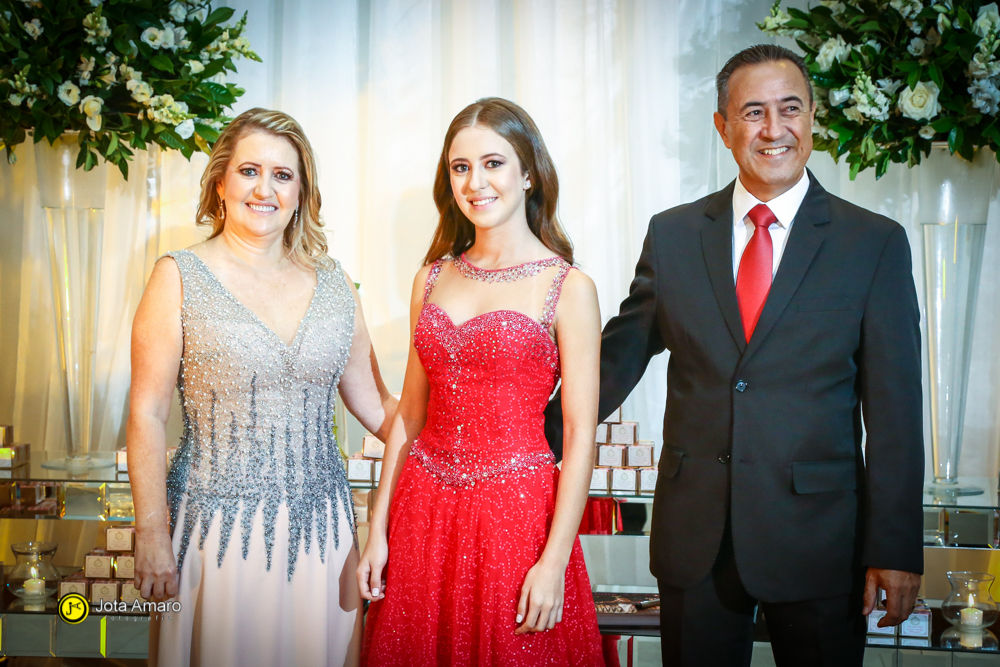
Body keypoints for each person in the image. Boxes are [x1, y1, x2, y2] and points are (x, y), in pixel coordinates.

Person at [545, 45, 924, 666]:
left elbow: (896, 411)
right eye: (753, 112)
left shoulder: (873, 243)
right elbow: (617, 358)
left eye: (790, 109)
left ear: (812, 119)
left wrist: (896, 547)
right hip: (697, 535)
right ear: (723, 128)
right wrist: (529, 438)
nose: (774, 129)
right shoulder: (673, 235)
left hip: (820, 539)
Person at [128, 108, 397, 667]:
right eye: (249, 171)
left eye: (282, 175)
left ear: (301, 193)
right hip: (212, 532)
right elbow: (147, 412)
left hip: (324, 534)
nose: (264, 189)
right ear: (220, 183)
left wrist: (471, 434)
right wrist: (150, 531)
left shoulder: (335, 283)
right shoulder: (177, 276)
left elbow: (377, 406)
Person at [357, 97, 605, 666]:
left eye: (493, 163)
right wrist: (378, 529)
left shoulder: (569, 288)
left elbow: (579, 436)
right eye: (460, 167)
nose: (475, 182)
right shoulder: (431, 278)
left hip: (515, 518)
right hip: (423, 511)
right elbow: (410, 416)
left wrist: (554, 561)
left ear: (529, 173)